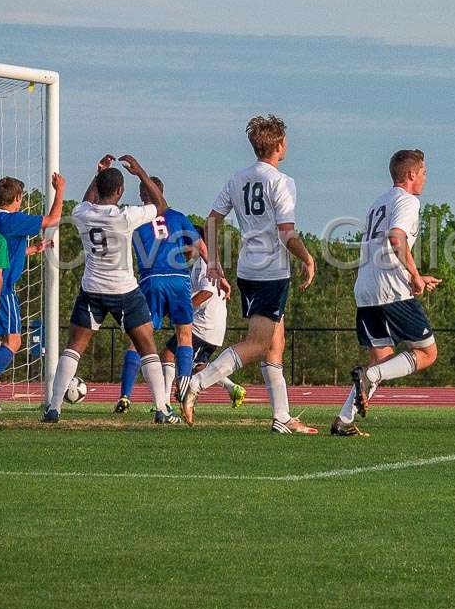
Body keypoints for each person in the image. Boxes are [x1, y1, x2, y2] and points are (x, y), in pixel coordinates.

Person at [178, 115, 318, 433]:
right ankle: (197, 383)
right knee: (257, 343)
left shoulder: (237, 179)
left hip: (248, 270)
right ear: (280, 145)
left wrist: (212, 261)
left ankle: (282, 417)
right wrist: (307, 258)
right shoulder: (282, 182)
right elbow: (286, 233)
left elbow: (212, 221)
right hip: (271, 272)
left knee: (275, 344)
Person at [44, 154, 177, 424]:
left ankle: (54, 407)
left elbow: (86, 202)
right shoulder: (125, 216)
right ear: (120, 191)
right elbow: (162, 206)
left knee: (74, 347)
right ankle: (162, 409)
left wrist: (99, 172)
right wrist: (141, 172)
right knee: (147, 347)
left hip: (92, 289)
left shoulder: (82, 213)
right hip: (124, 290)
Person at [331, 149, 441, 437]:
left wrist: (413, 275)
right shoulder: (407, 201)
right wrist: (414, 277)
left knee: (381, 359)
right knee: (427, 352)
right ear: (411, 175)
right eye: (424, 173)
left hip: (366, 289)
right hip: (391, 291)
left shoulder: (378, 202)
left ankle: (343, 420)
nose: (426, 179)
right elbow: (396, 237)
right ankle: (369, 378)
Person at [0, 172, 65, 412]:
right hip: (4, 288)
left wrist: (32, 249)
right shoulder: (14, 220)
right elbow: (53, 218)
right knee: (14, 341)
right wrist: (60, 189)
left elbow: (3, 251)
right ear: (17, 198)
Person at [115, 176, 202, 414]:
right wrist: (213, 268)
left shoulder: (135, 218)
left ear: (143, 194)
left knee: (138, 339)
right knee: (184, 334)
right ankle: (184, 386)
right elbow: (199, 246)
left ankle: (125, 395)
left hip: (150, 279)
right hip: (178, 278)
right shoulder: (178, 217)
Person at [164, 238, 245, 409]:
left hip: (204, 326)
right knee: (199, 367)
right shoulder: (204, 263)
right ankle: (233, 389)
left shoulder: (202, 264)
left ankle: (164, 404)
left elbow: (207, 291)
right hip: (212, 327)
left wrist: (184, 310)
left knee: (168, 355)